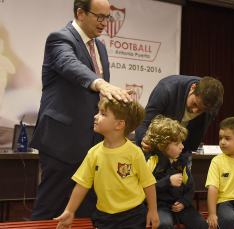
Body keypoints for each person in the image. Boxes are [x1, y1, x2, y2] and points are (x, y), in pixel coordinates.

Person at [29, 0, 134, 220]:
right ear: (80, 13)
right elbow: (69, 64)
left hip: (93, 144)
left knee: (87, 210)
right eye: (100, 17)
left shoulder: (100, 47)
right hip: (62, 141)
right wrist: (101, 83)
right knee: (50, 208)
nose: (105, 23)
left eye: (108, 17)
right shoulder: (60, 38)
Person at [54, 98, 159, 229]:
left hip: (133, 215)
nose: (96, 116)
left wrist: (153, 211)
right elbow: (82, 184)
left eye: (103, 114)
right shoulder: (93, 153)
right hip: (103, 216)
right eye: (99, 112)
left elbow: (148, 183)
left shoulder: (135, 153)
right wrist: (69, 211)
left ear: (119, 124)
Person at [135, 75, 224, 159]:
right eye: (194, 104)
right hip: (155, 147)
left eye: (202, 110)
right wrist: (144, 138)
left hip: (183, 150)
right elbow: (143, 122)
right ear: (192, 88)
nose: (195, 111)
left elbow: (200, 128)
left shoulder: (215, 102)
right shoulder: (166, 89)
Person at [146, 115, 208, 229]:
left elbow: (190, 187)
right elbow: (147, 189)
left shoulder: (182, 163)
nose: (182, 147)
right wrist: (167, 181)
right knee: (164, 225)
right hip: (159, 206)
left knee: (201, 224)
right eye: (177, 144)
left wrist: (184, 202)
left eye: (181, 143)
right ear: (161, 146)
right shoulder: (151, 162)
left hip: (181, 205)